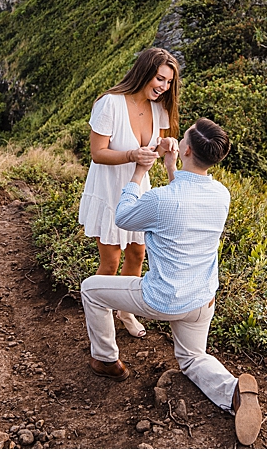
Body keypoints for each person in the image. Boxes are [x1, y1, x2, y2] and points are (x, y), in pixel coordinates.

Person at [80, 118, 262, 445]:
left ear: (187, 149)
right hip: (201, 300)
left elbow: (123, 217)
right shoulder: (221, 194)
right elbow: (183, 202)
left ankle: (106, 358)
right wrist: (169, 166)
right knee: (192, 358)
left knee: (91, 290)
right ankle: (233, 391)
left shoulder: (160, 200)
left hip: (162, 300)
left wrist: (139, 170)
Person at [77, 47, 181, 339]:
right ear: (144, 72)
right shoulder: (110, 103)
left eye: (169, 82)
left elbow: (153, 149)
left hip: (137, 188)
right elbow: (98, 153)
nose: (163, 87)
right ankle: (100, 312)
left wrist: (166, 145)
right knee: (110, 260)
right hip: (109, 189)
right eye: (160, 78)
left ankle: (126, 310)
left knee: (138, 251)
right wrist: (132, 155)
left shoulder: (158, 107)